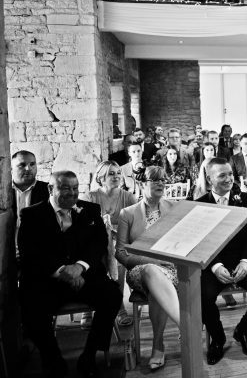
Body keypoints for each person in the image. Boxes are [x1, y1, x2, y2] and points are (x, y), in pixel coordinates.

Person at [18, 171, 123, 378]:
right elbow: (30, 250)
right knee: (30, 304)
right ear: (51, 189)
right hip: (50, 280)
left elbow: (99, 242)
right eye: (65, 188)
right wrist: (60, 271)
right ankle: (53, 359)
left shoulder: (90, 210)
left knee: (112, 295)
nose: (72, 193)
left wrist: (80, 267)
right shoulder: (31, 215)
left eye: (75, 188)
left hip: (85, 276)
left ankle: (90, 354)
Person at [195, 158, 247, 364]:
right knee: (202, 296)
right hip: (214, 263)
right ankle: (217, 337)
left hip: (243, 261)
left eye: (230, 174)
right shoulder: (199, 204)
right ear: (209, 179)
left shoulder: (246, 198)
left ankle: (244, 330)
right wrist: (215, 266)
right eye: (222, 175)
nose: (228, 179)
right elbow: (200, 241)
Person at [116, 166, 181, 371]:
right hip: (139, 271)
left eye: (163, 180)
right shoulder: (128, 213)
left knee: (157, 284)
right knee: (152, 270)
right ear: (143, 184)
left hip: (170, 269)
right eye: (155, 180)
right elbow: (120, 252)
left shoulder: (175, 208)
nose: (161, 183)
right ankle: (185, 326)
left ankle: (157, 345)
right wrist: (147, 260)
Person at [80, 160, 138, 327]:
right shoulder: (90, 197)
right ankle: (88, 308)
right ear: (101, 178)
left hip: (120, 242)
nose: (116, 176)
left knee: (118, 258)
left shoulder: (128, 197)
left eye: (118, 173)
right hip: (96, 242)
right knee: (92, 258)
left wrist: (114, 228)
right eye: (111, 174)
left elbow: (136, 224)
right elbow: (83, 227)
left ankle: (118, 308)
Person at [11, 151, 50, 256]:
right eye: (22, 165)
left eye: (32, 164)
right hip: (6, 255)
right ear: (10, 169)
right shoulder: (3, 192)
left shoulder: (49, 191)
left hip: (39, 255)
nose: (28, 168)